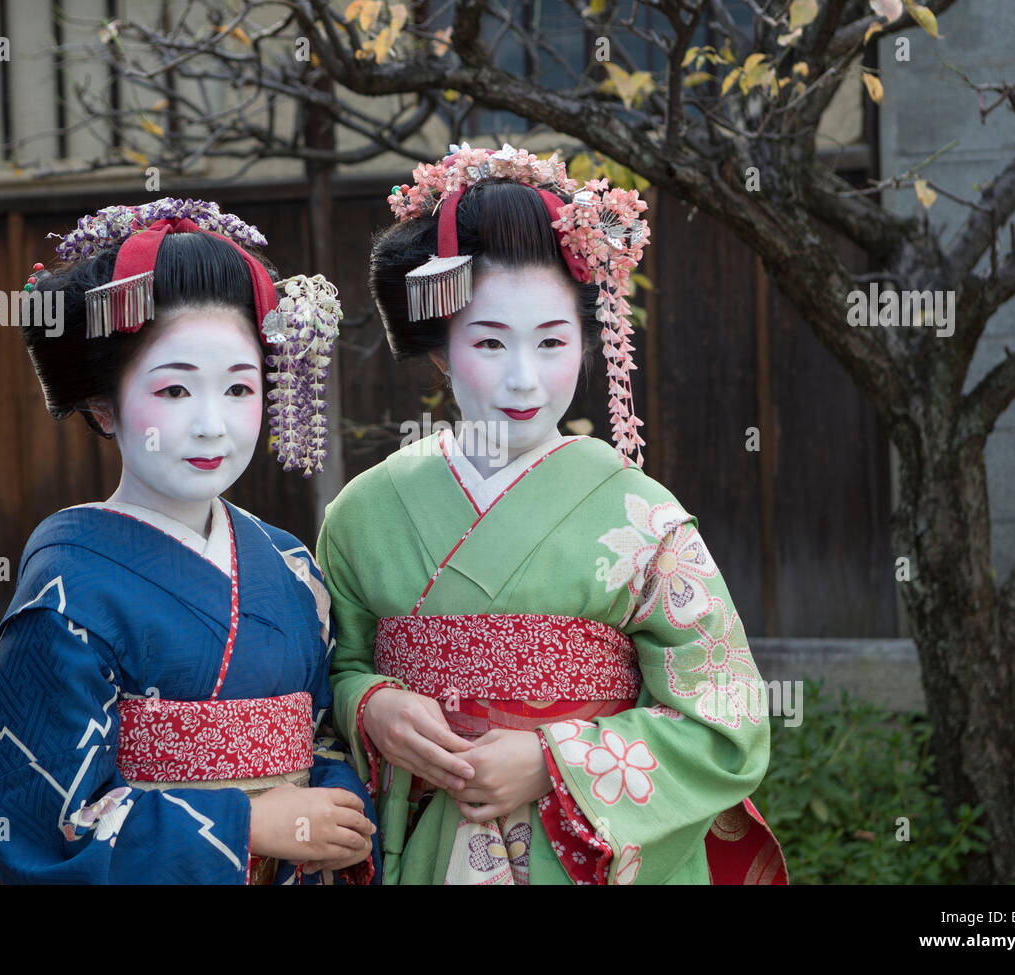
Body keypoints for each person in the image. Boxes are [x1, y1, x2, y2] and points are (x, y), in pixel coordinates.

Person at [318, 144, 787, 884]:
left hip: (585, 853)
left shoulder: (643, 516)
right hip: (427, 843)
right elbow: (331, 670)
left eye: (552, 341)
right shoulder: (364, 514)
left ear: (592, 337)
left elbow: (725, 721)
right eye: (489, 341)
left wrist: (552, 760)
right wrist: (371, 705)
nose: (523, 378)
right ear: (440, 348)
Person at [0, 198, 379, 885]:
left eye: (239, 387)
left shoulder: (291, 567)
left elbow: (323, 736)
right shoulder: (68, 592)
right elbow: (37, 822)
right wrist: (250, 822)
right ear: (105, 405)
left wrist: (339, 803)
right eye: (174, 391)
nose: (213, 425)